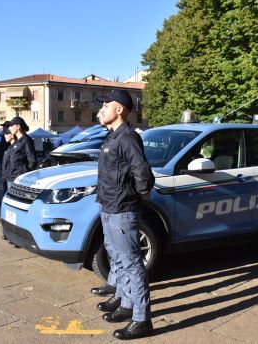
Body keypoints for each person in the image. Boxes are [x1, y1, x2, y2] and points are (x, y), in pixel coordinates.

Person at [94, 89, 155, 340]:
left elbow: (141, 170)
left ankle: (142, 319)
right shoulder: (112, 137)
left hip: (122, 209)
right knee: (118, 258)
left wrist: (141, 192)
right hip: (108, 206)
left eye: (105, 105)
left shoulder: (128, 137)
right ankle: (127, 305)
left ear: (119, 109)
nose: (101, 109)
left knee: (131, 264)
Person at [3, 117, 37, 189]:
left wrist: (24, 175)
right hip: (12, 178)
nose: (10, 128)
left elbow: (32, 160)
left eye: (12, 126)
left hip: (19, 179)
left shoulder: (26, 140)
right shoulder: (18, 142)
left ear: (18, 126)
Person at [0, 128, 17, 194]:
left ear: (12, 135)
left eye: (7, 134)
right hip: (8, 177)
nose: (4, 135)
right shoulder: (10, 147)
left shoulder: (16, 147)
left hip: (12, 178)